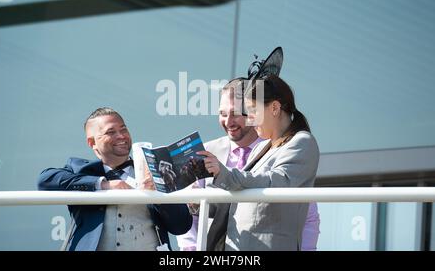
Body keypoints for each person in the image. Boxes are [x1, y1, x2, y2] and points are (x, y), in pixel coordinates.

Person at [177, 78, 320, 251]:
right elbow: (235, 202)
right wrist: (198, 203)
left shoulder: (302, 141)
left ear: (274, 108)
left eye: (252, 111)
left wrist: (225, 174)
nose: (250, 119)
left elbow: (276, 182)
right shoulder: (262, 147)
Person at [38, 107, 192, 251]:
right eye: (111, 132)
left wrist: (158, 194)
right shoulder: (81, 170)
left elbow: (181, 226)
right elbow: (45, 180)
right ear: (92, 142)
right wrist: (103, 185)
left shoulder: (153, 171)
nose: (121, 136)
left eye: (123, 129)